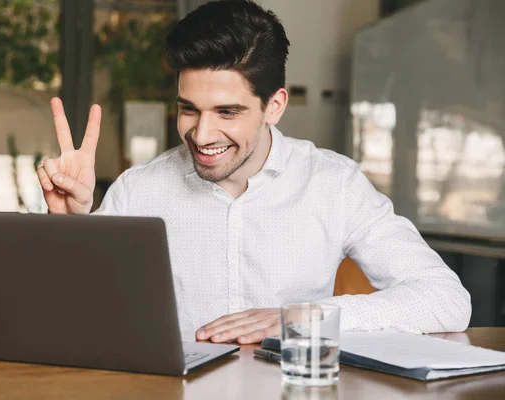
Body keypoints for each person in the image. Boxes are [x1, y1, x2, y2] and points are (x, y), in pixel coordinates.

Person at [36, 0, 471, 344]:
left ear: (274, 106)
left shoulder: (333, 184)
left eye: (228, 112)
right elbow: (75, 317)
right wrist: (72, 227)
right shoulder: (139, 189)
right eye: (189, 109)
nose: (202, 134)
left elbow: (445, 299)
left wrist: (300, 319)